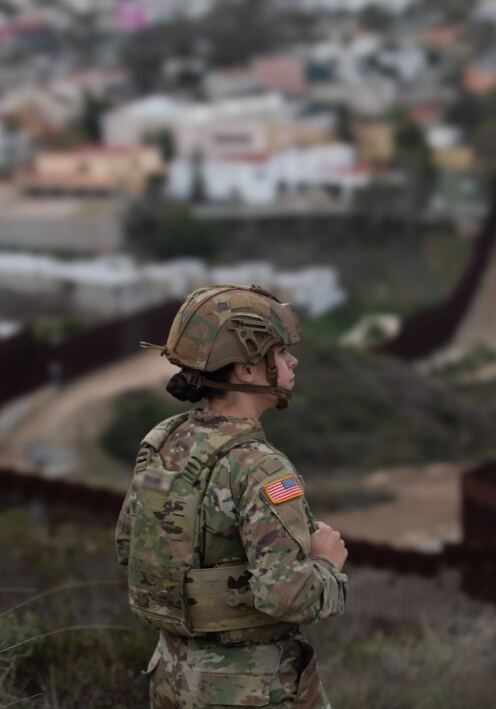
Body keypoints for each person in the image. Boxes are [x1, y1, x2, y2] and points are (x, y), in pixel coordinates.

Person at [115, 285, 349, 708]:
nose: (292, 361)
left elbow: (130, 546)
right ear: (244, 369)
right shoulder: (261, 467)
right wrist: (327, 565)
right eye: (279, 352)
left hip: (172, 679)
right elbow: (285, 595)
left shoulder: (164, 442)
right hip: (250, 688)